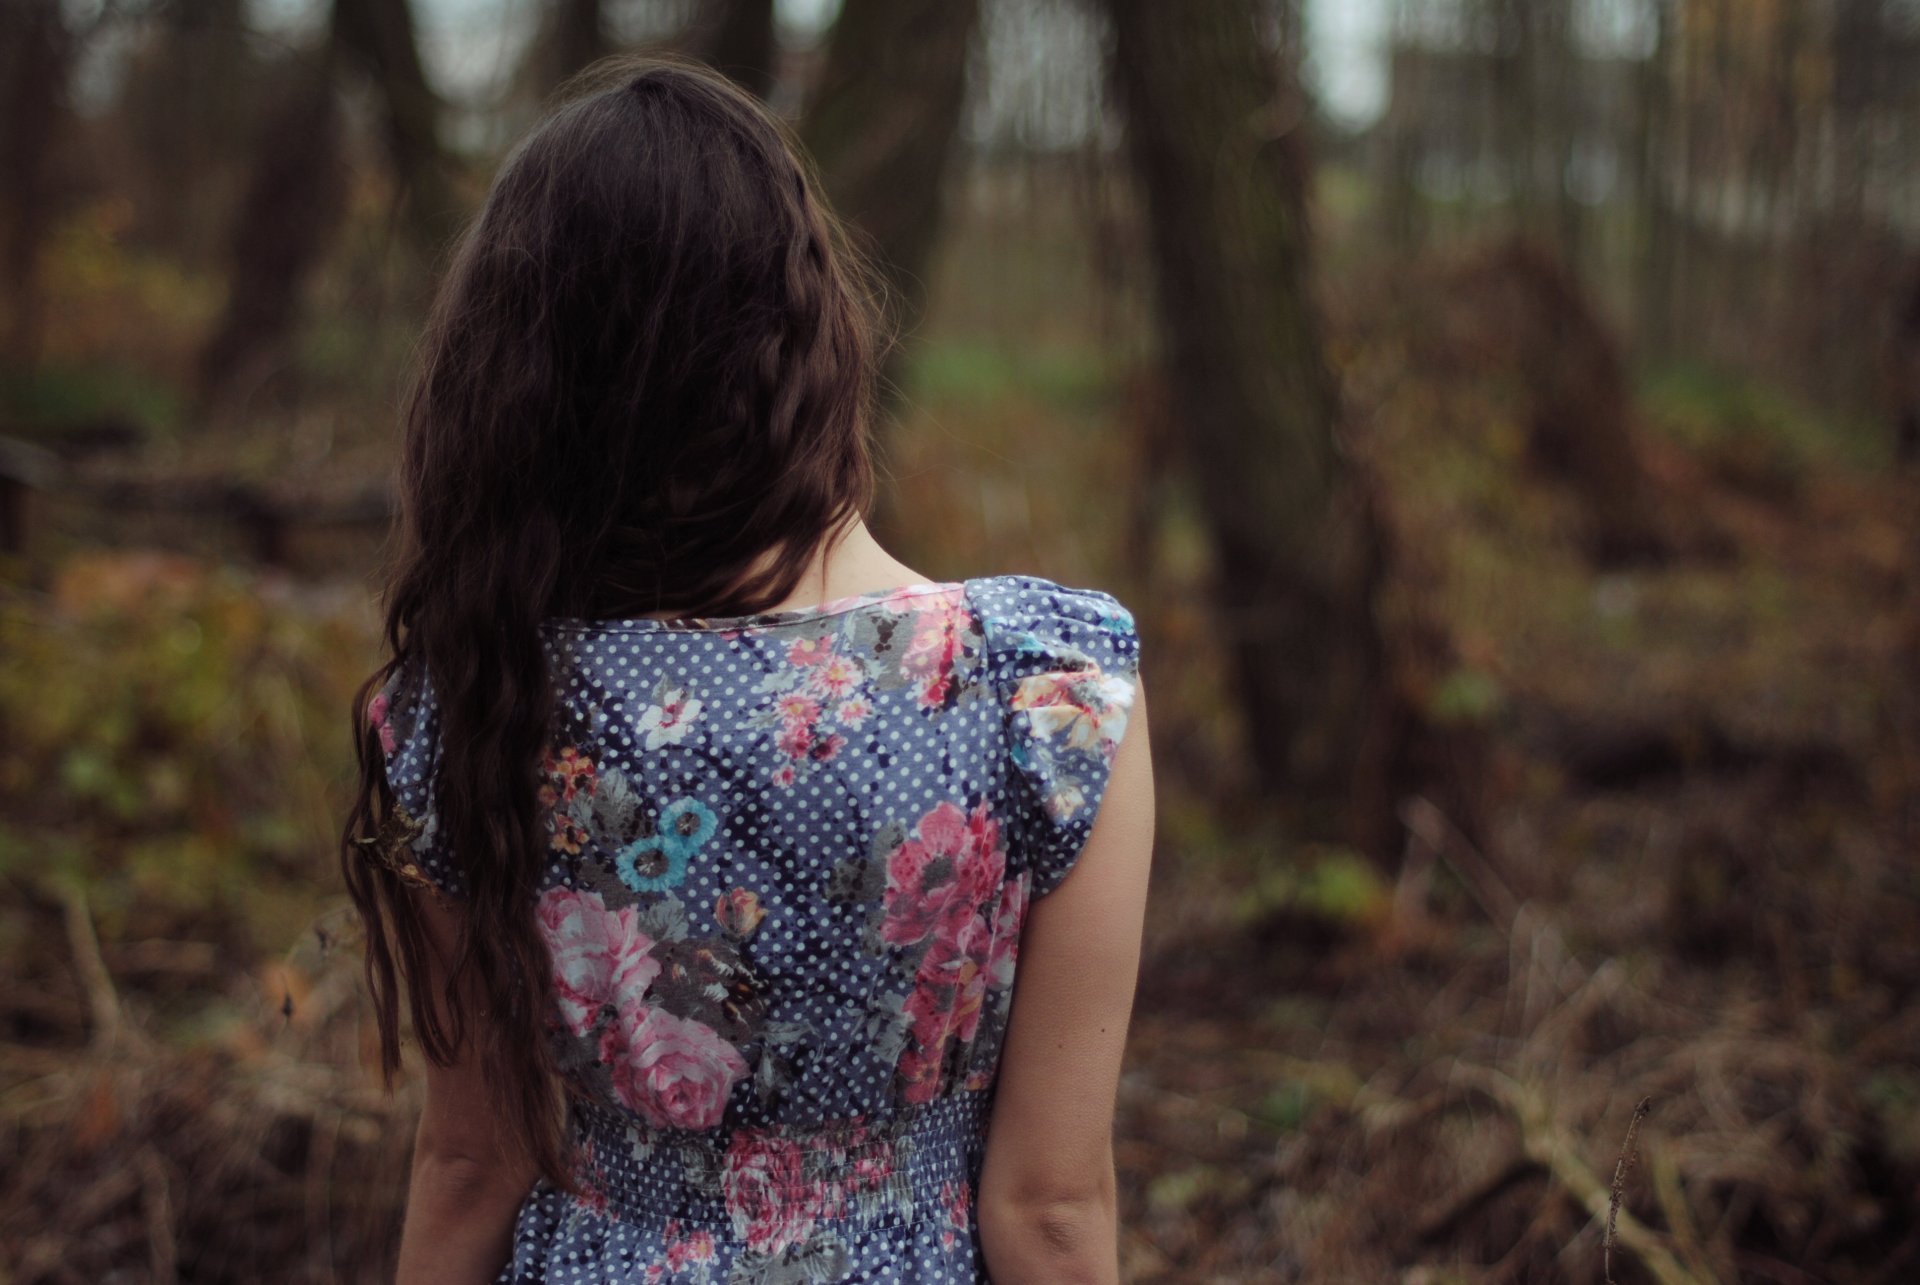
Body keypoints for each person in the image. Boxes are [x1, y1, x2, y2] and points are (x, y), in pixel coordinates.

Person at [340, 53, 1154, 1285]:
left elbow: (471, 1163)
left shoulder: (469, 704)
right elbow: (1047, 1203)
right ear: (815, 337)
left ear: (520, 386)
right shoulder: (1043, 697)